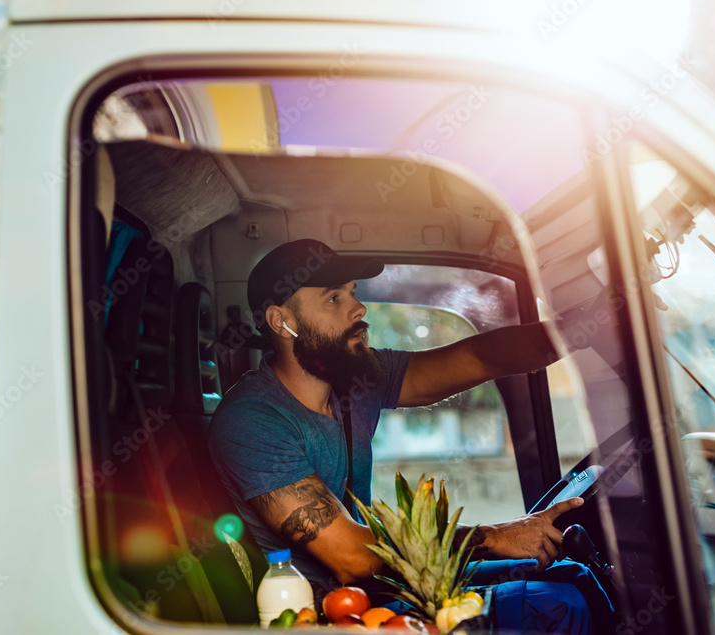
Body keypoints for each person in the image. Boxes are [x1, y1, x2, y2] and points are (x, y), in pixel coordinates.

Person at [209, 239, 614, 634]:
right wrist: (493, 537)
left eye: (353, 292)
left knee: (568, 574)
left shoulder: (354, 379)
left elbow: (480, 357)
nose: (359, 308)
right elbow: (351, 557)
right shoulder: (252, 420)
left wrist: (584, 324)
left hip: (385, 584)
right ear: (283, 322)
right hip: (334, 616)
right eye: (334, 299)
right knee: (560, 606)